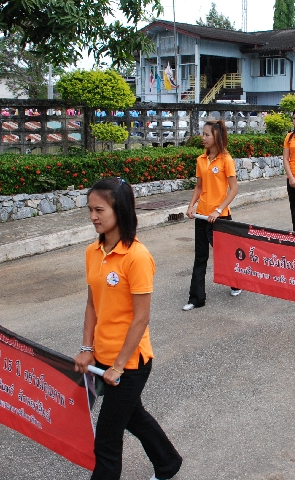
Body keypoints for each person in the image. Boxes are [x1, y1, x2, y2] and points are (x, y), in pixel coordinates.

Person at [75, 178, 182, 480]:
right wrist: (86, 349)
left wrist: (119, 366)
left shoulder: (137, 257)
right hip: (102, 356)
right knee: (134, 417)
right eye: (90, 210)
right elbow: (92, 305)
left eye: (99, 210)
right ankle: (168, 463)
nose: (93, 217)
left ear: (119, 210)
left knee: (106, 439)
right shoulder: (93, 252)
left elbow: (141, 318)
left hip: (130, 363)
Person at [184, 121, 240, 311]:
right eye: (203, 134)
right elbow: (199, 187)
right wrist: (191, 206)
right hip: (202, 215)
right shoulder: (201, 159)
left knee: (225, 255)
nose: (204, 138)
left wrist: (218, 210)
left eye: (207, 134)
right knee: (200, 257)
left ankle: (235, 282)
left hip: (220, 217)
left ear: (217, 137)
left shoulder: (226, 160)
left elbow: (234, 189)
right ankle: (196, 299)